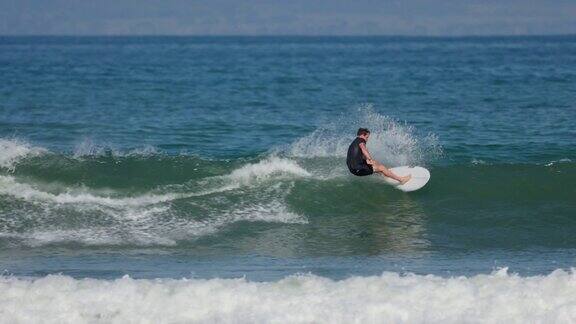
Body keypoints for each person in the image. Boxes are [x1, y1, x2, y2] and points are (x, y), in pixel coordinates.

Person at [346, 128, 411, 184]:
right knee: (381, 167)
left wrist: (368, 160)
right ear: (363, 135)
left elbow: (358, 155)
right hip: (357, 169)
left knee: (375, 163)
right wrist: (370, 159)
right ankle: (401, 180)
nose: (367, 139)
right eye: (367, 137)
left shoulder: (355, 141)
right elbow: (363, 148)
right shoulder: (361, 140)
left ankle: (385, 174)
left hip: (352, 168)